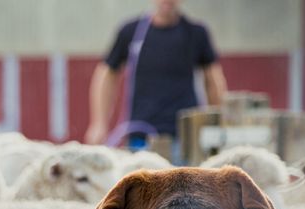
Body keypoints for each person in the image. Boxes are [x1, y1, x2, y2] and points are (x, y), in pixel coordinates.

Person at [84, 0, 226, 156]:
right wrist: (99, 123)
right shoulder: (131, 32)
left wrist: (218, 124)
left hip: (184, 141)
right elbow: (107, 74)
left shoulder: (196, 33)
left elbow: (213, 81)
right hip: (140, 139)